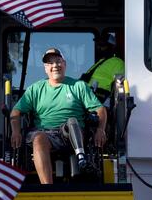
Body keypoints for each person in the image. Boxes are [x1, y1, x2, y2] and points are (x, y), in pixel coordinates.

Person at [10, 48, 107, 184]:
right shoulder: (36, 88)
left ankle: (81, 158)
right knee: (38, 138)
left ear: (65, 64)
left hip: (72, 134)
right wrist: (15, 132)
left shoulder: (79, 86)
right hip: (45, 134)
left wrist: (100, 130)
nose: (55, 65)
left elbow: (100, 109)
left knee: (72, 121)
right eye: (50, 63)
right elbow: (15, 112)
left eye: (58, 61)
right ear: (45, 68)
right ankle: (48, 190)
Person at [80, 33, 124, 105]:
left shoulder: (118, 62)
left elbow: (119, 85)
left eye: (102, 45)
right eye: (98, 45)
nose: (99, 48)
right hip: (86, 96)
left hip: (99, 99)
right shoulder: (101, 61)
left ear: (111, 46)